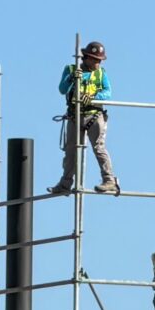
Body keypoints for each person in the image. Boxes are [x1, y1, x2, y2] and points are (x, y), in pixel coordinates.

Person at [51, 40, 120, 196]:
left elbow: (107, 92)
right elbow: (62, 89)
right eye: (95, 60)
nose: (98, 63)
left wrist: (93, 97)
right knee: (71, 151)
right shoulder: (71, 69)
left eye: (99, 60)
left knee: (99, 148)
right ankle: (65, 184)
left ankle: (109, 180)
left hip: (94, 115)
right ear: (87, 58)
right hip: (75, 116)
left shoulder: (101, 73)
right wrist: (71, 79)